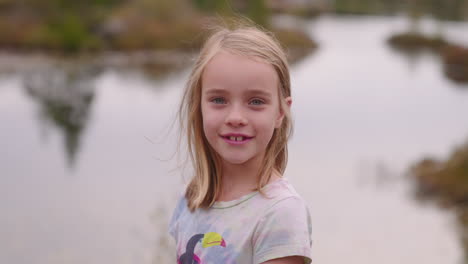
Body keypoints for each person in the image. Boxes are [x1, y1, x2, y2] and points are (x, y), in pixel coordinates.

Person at [169, 19, 313, 264]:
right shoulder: (193, 196)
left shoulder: (280, 212)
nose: (236, 118)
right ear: (199, 106)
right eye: (219, 100)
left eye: (256, 101)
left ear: (280, 112)